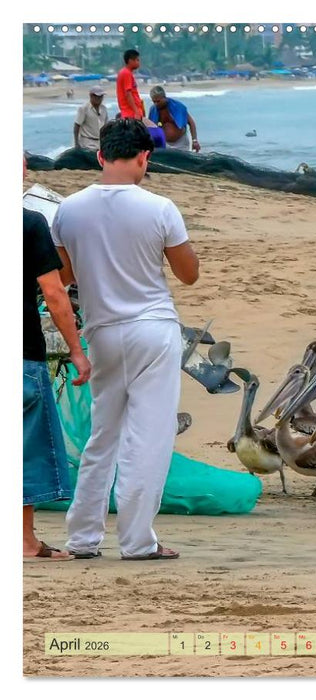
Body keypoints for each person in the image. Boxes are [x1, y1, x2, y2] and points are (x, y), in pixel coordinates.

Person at [51, 119, 200, 560]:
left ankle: (82, 537)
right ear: (144, 157)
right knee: (148, 437)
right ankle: (137, 540)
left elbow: (64, 276)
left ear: (100, 156)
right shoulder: (159, 207)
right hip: (152, 327)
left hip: (101, 330)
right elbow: (188, 274)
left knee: (103, 436)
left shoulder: (69, 209)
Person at [23, 159, 92, 561]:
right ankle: (25, 541)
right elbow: (54, 293)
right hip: (20, 354)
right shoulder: (30, 223)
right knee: (26, 449)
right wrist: (78, 352)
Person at [148, 86, 201, 151]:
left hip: (181, 143)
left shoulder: (178, 107)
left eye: (158, 101)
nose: (156, 104)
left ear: (164, 97)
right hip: (164, 143)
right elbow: (151, 129)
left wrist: (194, 140)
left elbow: (191, 122)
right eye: (154, 102)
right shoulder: (153, 110)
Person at [73, 86, 108, 151]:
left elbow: (106, 126)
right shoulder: (84, 108)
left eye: (101, 97)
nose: (99, 99)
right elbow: (77, 125)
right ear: (91, 96)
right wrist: (76, 143)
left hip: (100, 142)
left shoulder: (104, 109)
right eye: (97, 96)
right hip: (87, 143)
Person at [116, 49, 146, 121]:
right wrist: (136, 111)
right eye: (137, 60)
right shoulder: (126, 73)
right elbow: (128, 94)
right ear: (130, 61)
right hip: (130, 113)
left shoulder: (126, 72)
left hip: (130, 112)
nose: (139, 62)